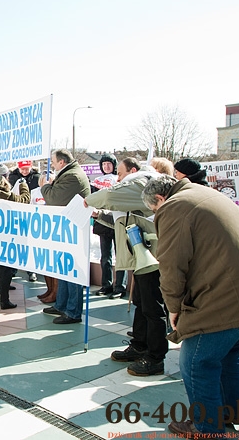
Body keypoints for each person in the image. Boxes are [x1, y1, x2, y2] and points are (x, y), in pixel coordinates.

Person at [142, 175, 239, 437]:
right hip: (237, 294)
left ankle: (207, 427)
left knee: (196, 363)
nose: (156, 215)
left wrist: (173, 308)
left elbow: (172, 266)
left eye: (154, 211)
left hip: (221, 299)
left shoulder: (174, 207)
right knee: (229, 356)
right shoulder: (202, 193)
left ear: (159, 199)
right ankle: (234, 412)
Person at [85, 157, 168, 377]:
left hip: (152, 256)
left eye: (120, 174)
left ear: (133, 171)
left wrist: (88, 200)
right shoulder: (137, 188)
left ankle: (156, 356)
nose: (118, 179)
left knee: (153, 307)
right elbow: (120, 217)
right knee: (142, 303)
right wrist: (99, 214)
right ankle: (140, 345)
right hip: (141, 256)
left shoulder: (142, 183)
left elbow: (110, 196)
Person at [39, 149, 91, 324]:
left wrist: (44, 186)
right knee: (63, 268)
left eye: (53, 162)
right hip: (66, 230)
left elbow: (54, 198)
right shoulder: (70, 174)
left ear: (61, 162)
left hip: (73, 231)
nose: (52, 165)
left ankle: (73, 311)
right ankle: (62, 305)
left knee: (73, 271)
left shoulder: (73, 177)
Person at [0, 174, 30, 309]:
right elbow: (25, 199)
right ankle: (4, 300)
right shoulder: (9, 197)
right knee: (6, 271)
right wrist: (23, 185)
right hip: (7, 240)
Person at [90, 154, 127, 298]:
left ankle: (120, 286)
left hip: (118, 220)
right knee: (105, 256)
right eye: (104, 164)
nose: (106, 167)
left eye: (109, 164)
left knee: (120, 255)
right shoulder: (97, 182)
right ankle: (106, 284)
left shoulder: (120, 180)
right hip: (102, 221)